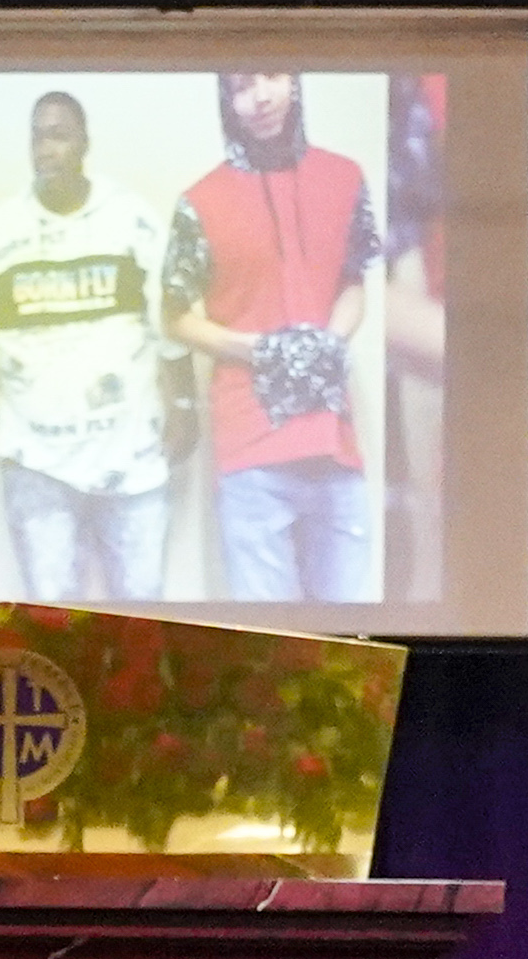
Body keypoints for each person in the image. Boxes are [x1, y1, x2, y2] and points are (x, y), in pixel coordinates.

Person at [163, 67, 385, 607]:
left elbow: (353, 282)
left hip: (334, 444)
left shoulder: (345, 177)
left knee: (353, 641)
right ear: (226, 100)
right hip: (250, 451)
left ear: (296, 82)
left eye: (271, 77)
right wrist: (260, 350)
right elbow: (174, 317)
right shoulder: (200, 200)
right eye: (240, 85)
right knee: (272, 649)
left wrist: (325, 342)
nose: (259, 97)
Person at [0, 87, 175, 605]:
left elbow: (169, 324)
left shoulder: (135, 220)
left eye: (58, 135)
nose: (45, 148)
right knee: (51, 618)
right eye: (37, 136)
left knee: (144, 617)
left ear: (84, 143)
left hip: (131, 452)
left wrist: (185, 403)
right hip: (37, 460)